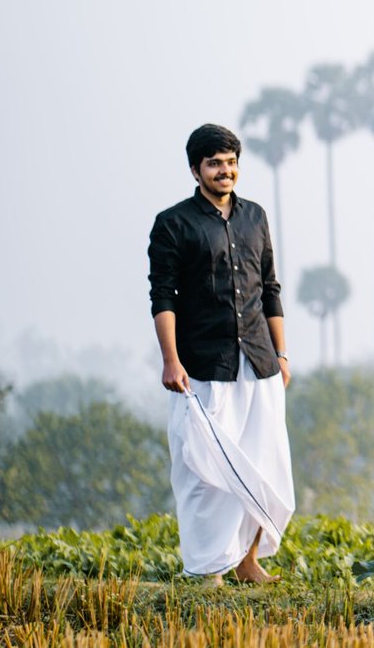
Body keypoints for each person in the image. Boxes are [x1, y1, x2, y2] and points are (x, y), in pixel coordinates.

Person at [148, 123, 295, 583]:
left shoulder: (256, 216)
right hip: (203, 366)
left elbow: (270, 288)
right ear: (196, 170)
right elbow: (163, 296)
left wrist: (282, 355)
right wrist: (171, 360)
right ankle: (208, 569)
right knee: (203, 470)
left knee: (263, 466)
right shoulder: (173, 223)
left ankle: (247, 562)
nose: (225, 171)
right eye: (214, 164)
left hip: (259, 362)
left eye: (231, 162)